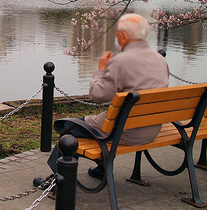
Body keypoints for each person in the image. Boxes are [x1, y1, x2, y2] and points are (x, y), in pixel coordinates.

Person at [45, 13, 169, 180]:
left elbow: (97, 95)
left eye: (117, 33)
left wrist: (101, 69)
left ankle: (59, 180)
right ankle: (102, 168)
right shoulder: (160, 59)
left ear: (125, 36)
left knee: (65, 126)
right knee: (85, 123)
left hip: (124, 131)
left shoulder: (121, 61)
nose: (116, 37)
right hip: (151, 128)